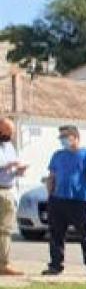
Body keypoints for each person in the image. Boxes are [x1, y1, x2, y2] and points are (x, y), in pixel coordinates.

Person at [43, 124, 86, 279]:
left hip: (80, 201)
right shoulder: (57, 155)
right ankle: (55, 265)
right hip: (58, 200)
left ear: (75, 137)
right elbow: (52, 175)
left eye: (65, 137)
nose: (63, 140)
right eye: (61, 137)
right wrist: (49, 194)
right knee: (56, 234)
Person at [0, 117, 26, 276]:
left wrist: (18, 171)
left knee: (5, 230)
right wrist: (6, 166)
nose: (10, 136)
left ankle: (4, 262)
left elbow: (11, 169)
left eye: (12, 133)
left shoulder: (9, 146)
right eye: (8, 132)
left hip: (7, 190)